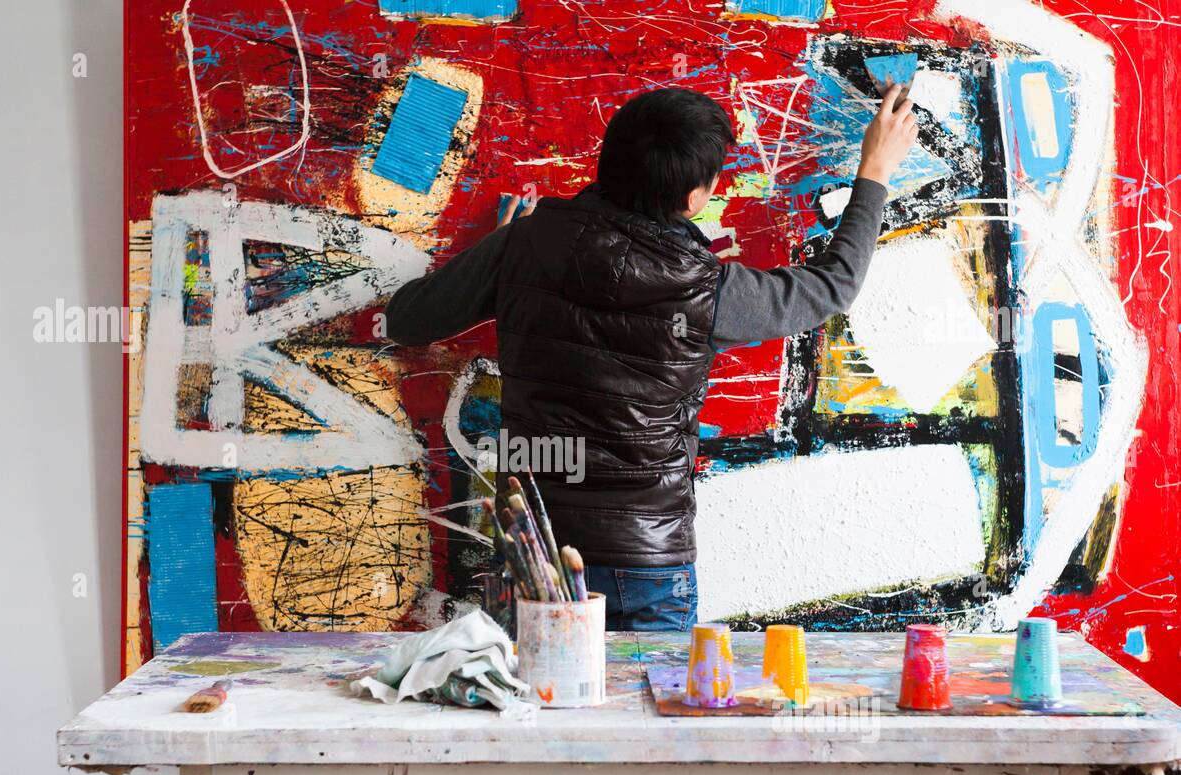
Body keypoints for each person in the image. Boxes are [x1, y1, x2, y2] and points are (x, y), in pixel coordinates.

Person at [386, 83, 917, 633]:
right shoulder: (706, 289)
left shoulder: (522, 245)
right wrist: (874, 170)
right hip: (646, 566)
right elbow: (831, 287)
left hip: (535, 556)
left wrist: (500, 262)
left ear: (608, 159)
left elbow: (406, 320)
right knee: (651, 715)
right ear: (694, 199)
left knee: (536, 715)